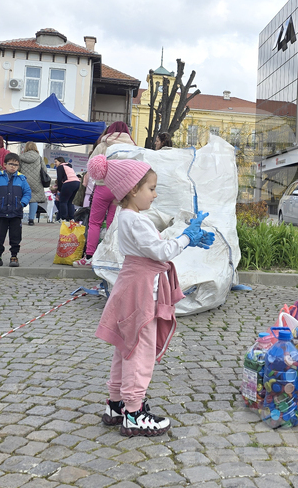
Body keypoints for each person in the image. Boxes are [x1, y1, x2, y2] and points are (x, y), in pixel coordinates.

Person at [90, 154, 208, 437]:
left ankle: (117, 404)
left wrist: (182, 236)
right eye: (151, 189)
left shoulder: (128, 217)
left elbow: (153, 247)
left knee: (125, 346)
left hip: (131, 287)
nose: (154, 195)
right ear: (133, 189)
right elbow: (161, 251)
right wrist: (187, 238)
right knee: (139, 352)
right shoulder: (136, 221)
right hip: (141, 294)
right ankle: (134, 412)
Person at [84, 122, 136, 260]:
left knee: (95, 222)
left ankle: (90, 255)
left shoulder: (103, 145)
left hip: (102, 187)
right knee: (113, 223)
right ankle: (110, 255)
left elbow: (91, 165)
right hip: (121, 189)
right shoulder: (132, 147)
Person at [0, 153, 32, 268]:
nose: (13, 167)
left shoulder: (21, 178)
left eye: (16, 165)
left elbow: (27, 192)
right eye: (11, 164)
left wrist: (22, 203)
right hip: (1, 212)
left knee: (15, 236)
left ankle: (14, 256)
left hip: (16, 212)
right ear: (4, 164)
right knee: (0, 236)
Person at [19, 142, 48, 225]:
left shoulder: (21, 157)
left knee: (21, 198)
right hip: (37, 181)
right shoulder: (39, 158)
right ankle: (31, 220)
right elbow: (44, 170)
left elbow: (18, 169)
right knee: (34, 199)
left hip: (23, 180)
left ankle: (18, 218)